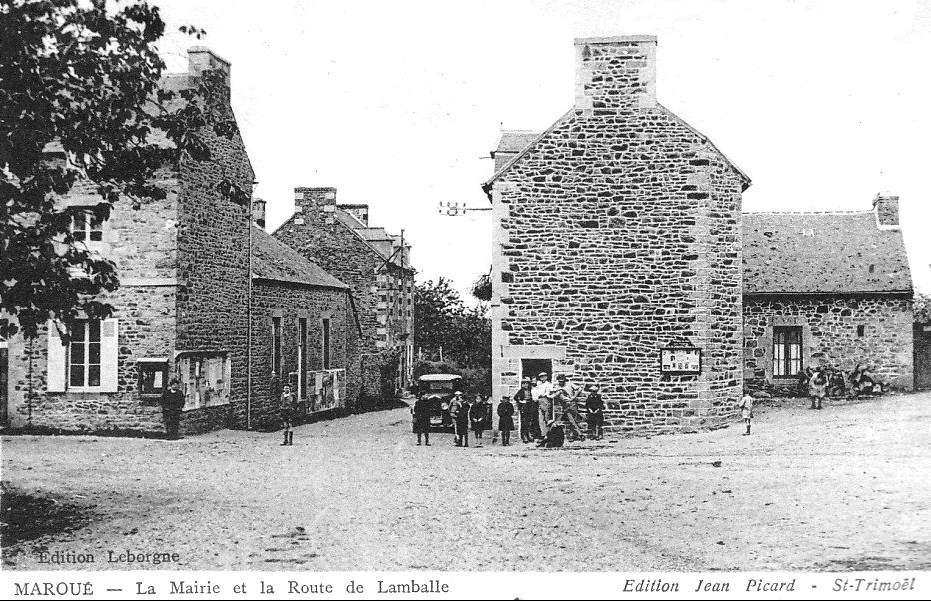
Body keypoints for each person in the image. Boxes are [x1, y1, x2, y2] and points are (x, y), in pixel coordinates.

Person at [554, 374, 585, 441]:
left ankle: (573, 435)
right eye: (560, 381)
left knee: (574, 420)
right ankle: (580, 434)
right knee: (571, 420)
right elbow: (557, 395)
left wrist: (574, 396)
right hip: (565, 405)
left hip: (573, 404)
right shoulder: (557, 387)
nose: (561, 382)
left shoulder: (569, 384)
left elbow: (579, 389)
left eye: (562, 381)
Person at [514, 378, 539, 443]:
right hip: (523, 406)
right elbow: (515, 397)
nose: (525, 385)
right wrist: (521, 401)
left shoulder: (530, 390)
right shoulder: (521, 391)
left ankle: (529, 435)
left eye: (527, 384)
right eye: (524, 384)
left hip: (530, 405)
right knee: (524, 421)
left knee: (529, 421)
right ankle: (524, 435)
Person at [532, 372, 554, 440]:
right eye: (541, 377)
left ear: (546, 377)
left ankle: (548, 434)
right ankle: (543, 434)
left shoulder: (549, 384)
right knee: (541, 419)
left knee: (547, 418)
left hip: (546, 401)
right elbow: (536, 393)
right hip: (540, 401)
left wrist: (544, 394)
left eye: (544, 376)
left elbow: (549, 392)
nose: (542, 378)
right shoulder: (539, 385)